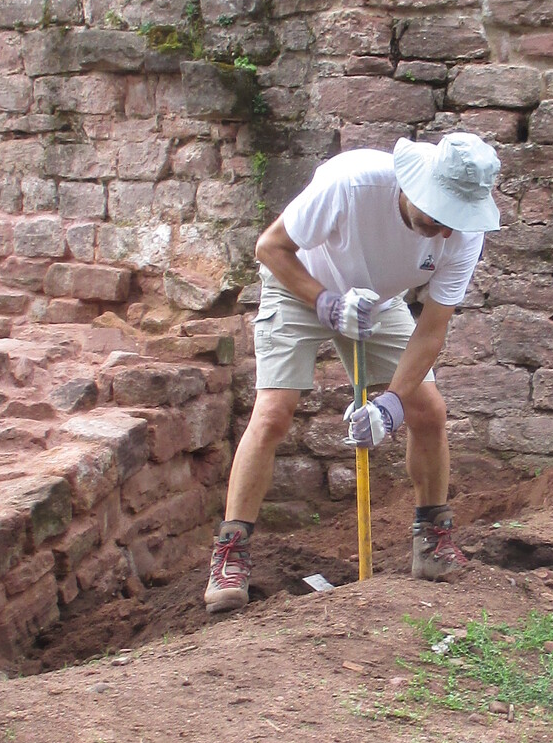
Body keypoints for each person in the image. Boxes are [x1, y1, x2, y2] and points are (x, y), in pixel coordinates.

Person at [204, 131, 503, 614]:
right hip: (299, 285)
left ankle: (432, 541)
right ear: (414, 186)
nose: (445, 233)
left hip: (377, 303)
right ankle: (230, 554)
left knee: (427, 411)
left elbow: (432, 330)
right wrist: (325, 302)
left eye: (455, 222)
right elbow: (270, 247)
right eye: (438, 217)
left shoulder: (463, 234)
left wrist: (391, 405)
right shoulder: (351, 183)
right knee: (275, 413)